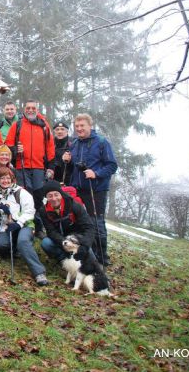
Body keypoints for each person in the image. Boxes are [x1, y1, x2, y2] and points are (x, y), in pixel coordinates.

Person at [62, 114, 117, 266]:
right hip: (77, 189)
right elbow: (72, 165)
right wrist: (67, 159)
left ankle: (101, 257)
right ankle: (84, 254)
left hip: (96, 189)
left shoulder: (101, 142)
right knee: (80, 221)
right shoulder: (74, 143)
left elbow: (112, 165)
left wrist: (96, 173)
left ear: (90, 126)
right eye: (77, 126)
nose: (79, 129)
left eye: (82, 126)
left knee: (96, 222)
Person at [0, 167, 48, 286]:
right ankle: (14, 248)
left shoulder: (21, 192)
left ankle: (39, 272)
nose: (5, 181)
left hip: (25, 225)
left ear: (12, 179)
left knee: (23, 242)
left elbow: (30, 211)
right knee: (0, 245)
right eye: (2, 178)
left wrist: (18, 223)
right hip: (7, 227)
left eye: (8, 178)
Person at [39, 180, 97, 265]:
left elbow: (89, 227)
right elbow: (51, 231)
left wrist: (85, 245)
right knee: (46, 243)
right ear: (46, 198)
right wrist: (64, 242)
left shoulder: (74, 205)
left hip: (77, 238)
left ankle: (90, 266)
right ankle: (64, 263)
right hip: (61, 239)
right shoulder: (43, 211)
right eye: (50, 196)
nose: (54, 199)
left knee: (88, 256)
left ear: (61, 194)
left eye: (56, 194)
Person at [4, 99, 55, 193]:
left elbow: (50, 146)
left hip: (39, 167)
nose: (30, 110)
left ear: (37, 110)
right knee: (24, 196)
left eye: (33, 108)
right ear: (24, 109)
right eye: (28, 108)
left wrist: (51, 167)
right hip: (21, 167)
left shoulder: (44, 126)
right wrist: (15, 150)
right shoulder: (17, 125)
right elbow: (7, 145)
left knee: (39, 196)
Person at [52, 121, 72, 185]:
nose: (59, 132)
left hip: (69, 179)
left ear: (67, 131)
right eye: (57, 129)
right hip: (53, 178)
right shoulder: (50, 144)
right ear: (54, 132)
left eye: (62, 129)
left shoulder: (73, 143)